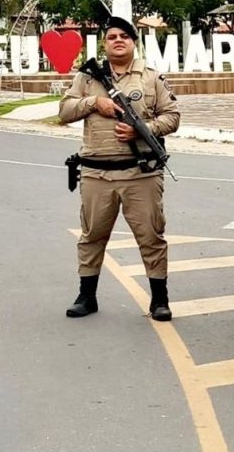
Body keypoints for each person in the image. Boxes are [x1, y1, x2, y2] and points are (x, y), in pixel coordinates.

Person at [59, 16, 180, 321]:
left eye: (124, 36)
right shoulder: (87, 78)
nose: (117, 40)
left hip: (140, 173)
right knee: (92, 235)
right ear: (104, 42)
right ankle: (87, 296)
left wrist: (142, 130)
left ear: (133, 41)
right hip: (96, 173)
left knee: (151, 236)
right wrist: (93, 102)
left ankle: (159, 300)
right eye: (112, 36)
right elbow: (64, 112)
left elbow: (173, 117)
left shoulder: (151, 77)